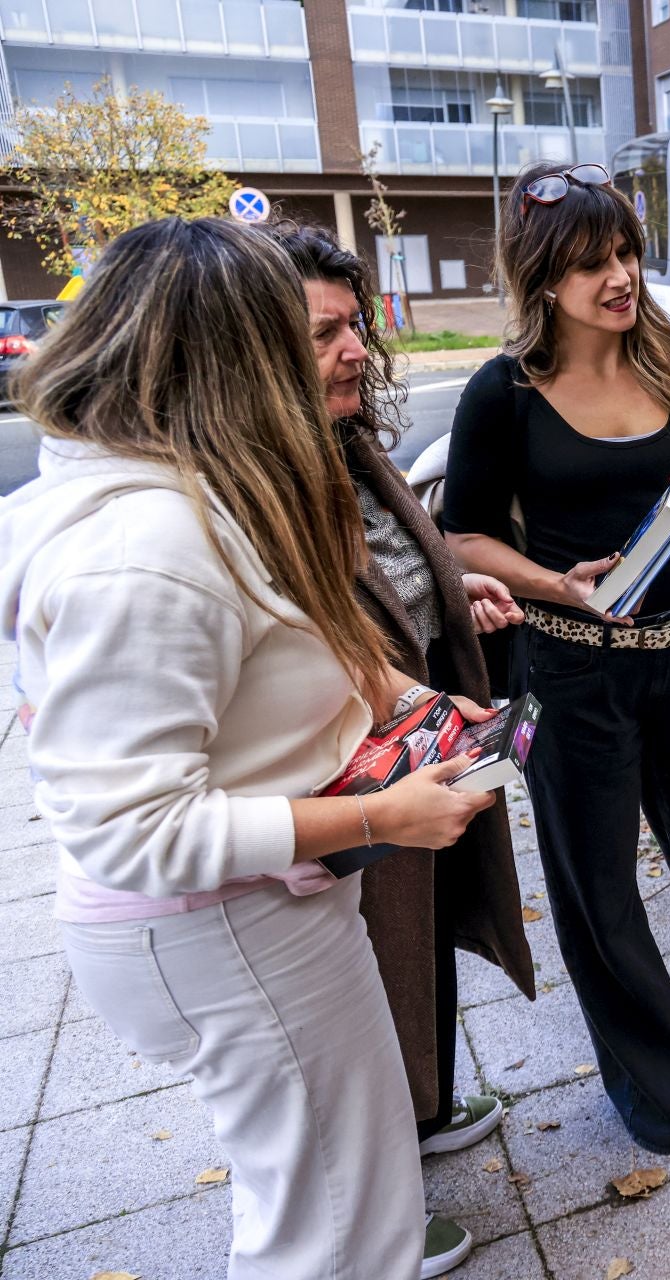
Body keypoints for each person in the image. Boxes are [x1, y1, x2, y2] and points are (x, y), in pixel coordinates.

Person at [0, 217, 495, 1278]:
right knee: (333, 1232)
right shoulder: (143, 552)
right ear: (224, 359)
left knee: (333, 1196)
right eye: (293, 338)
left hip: (259, 911)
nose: (338, 354)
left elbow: (310, 637)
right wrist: (380, 816)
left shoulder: (196, 495)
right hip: (223, 930)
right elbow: (136, 827)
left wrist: (414, 707)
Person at [441, 161, 670, 1154]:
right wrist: (559, 584)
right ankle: (650, 1078)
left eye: (627, 252)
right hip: (568, 670)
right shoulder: (503, 393)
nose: (620, 276)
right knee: (596, 884)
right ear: (542, 278)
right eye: (591, 262)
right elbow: (463, 537)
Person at [268, 219, 538, 1276]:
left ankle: (420, 1113)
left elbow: (388, 567)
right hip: (344, 773)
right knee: (360, 978)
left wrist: (450, 586)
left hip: (419, 729)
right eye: (326, 331)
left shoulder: (343, 434)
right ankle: (373, 1221)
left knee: (417, 943)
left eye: (356, 324)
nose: (353, 350)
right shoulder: (261, 474)